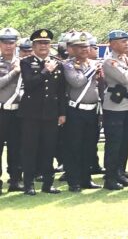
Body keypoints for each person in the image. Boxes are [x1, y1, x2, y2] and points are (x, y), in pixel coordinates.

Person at [19, 29, 67, 195]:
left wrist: (62, 113)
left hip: (51, 114)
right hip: (31, 114)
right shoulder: (27, 62)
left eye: (46, 43)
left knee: (49, 149)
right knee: (30, 149)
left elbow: (61, 91)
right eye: (39, 43)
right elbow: (29, 83)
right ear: (33, 46)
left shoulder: (57, 63)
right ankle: (29, 184)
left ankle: (48, 183)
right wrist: (45, 71)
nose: (43, 46)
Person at [63, 32, 103, 192]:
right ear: (72, 49)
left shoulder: (93, 63)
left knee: (89, 146)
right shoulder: (68, 65)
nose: (84, 49)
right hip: (75, 110)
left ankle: (86, 178)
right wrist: (93, 70)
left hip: (92, 110)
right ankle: (74, 181)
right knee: (74, 147)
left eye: (86, 46)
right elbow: (76, 81)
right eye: (80, 47)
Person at [102, 31, 128, 190]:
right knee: (114, 143)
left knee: (124, 143)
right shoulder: (109, 62)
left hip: (126, 105)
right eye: (122, 41)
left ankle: (120, 173)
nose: (126, 44)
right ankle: (110, 178)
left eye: (126, 41)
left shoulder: (126, 60)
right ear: (112, 44)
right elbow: (124, 78)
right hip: (114, 107)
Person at [0, 27, 22, 194]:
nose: (8, 46)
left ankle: (15, 180)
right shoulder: (16, 66)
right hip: (1, 111)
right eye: (5, 42)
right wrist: (15, 71)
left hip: (18, 112)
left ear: (16, 44)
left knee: (17, 147)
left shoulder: (24, 62)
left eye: (11, 42)